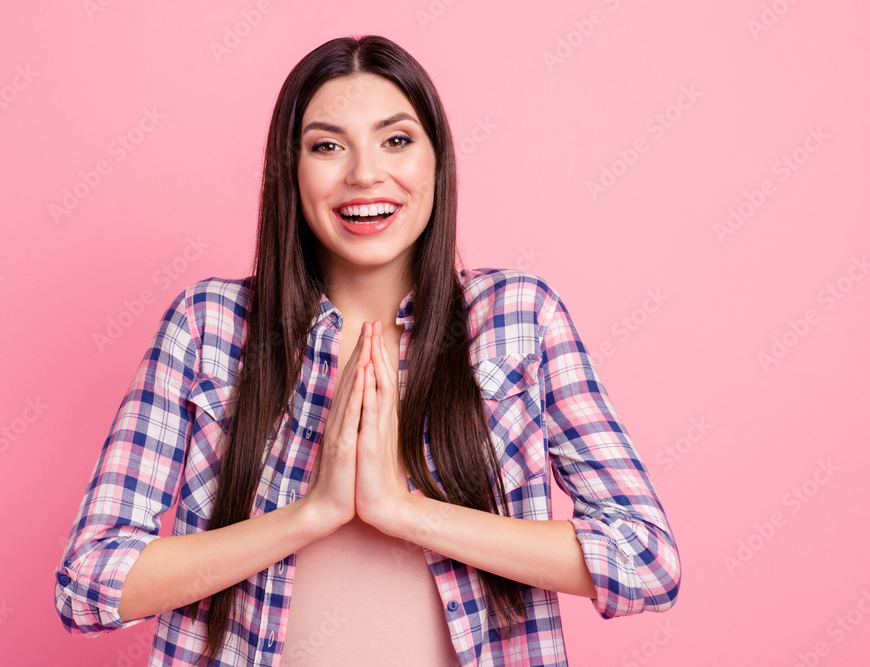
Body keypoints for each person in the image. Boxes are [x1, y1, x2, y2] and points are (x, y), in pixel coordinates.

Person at [54, 34, 681, 667]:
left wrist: (403, 513)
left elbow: (646, 560)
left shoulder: (518, 318)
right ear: (289, 171)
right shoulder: (211, 326)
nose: (364, 173)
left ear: (438, 161)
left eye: (397, 140)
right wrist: (313, 512)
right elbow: (90, 581)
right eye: (327, 146)